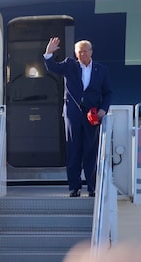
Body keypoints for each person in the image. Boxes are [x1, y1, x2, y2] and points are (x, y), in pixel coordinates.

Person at [43, 37, 113, 197]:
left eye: (85, 51)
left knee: (90, 150)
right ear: (76, 54)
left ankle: (92, 187)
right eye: (79, 52)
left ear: (91, 52)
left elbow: (108, 92)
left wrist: (103, 109)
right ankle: (74, 187)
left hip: (92, 116)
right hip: (73, 115)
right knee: (73, 150)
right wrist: (48, 53)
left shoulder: (101, 70)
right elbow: (51, 66)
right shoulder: (69, 65)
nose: (82, 54)